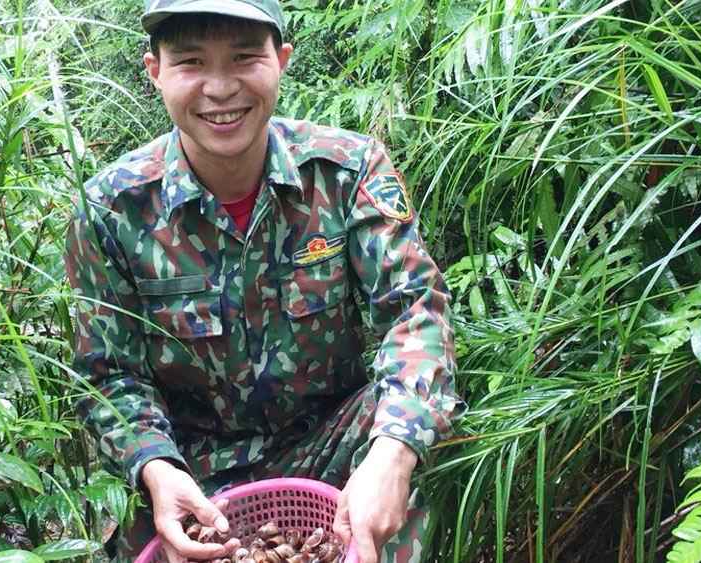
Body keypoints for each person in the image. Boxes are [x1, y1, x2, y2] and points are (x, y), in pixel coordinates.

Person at [64, 1, 463, 561]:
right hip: (191, 472)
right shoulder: (111, 210)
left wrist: (393, 453)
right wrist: (154, 468)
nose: (221, 88)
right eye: (192, 62)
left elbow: (415, 307)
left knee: (418, 425)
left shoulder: (347, 170)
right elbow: (107, 375)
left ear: (281, 59)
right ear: (155, 71)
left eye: (245, 57)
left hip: (331, 441)